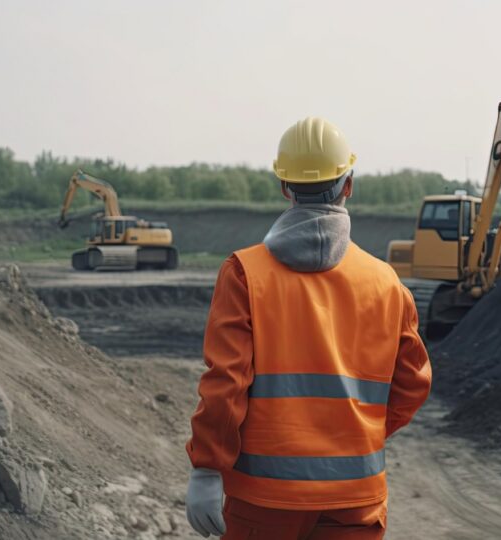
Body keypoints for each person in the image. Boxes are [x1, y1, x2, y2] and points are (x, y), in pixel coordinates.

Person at [185, 117, 432, 539]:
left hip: (263, 500)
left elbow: (227, 381)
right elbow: (413, 384)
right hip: (355, 498)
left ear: (284, 186)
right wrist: (360, 430)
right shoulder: (386, 283)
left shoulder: (245, 273)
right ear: (349, 185)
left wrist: (208, 468)